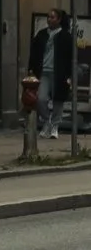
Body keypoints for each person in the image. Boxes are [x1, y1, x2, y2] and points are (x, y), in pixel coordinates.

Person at [25, 9, 77, 159]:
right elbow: (33, 53)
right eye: (48, 17)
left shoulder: (66, 37)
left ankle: (54, 125)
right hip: (44, 72)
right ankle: (47, 121)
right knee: (40, 98)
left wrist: (70, 76)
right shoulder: (41, 35)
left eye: (52, 17)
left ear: (59, 19)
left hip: (59, 73)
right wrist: (31, 70)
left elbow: (71, 58)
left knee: (58, 100)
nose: (49, 19)